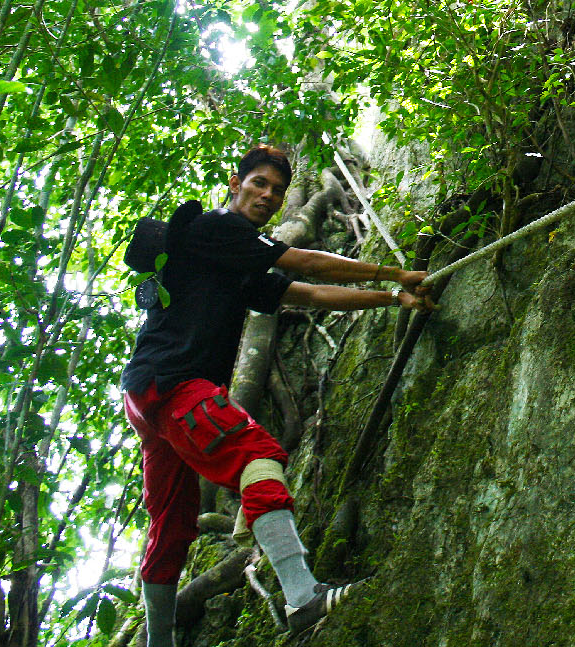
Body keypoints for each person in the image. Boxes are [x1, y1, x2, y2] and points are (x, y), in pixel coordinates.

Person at [120, 145, 435, 644]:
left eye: (278, 191)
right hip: (175, 386)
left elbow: (304, 293)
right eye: (258, 183)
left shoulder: (234, 260)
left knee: (173, 524)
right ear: (235, 182)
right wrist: (391, 272)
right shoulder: (219, 230)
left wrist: (392, 298)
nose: (267, 196)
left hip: (149, 396)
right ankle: (302, 595)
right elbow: (305, 262)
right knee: (259, 454)